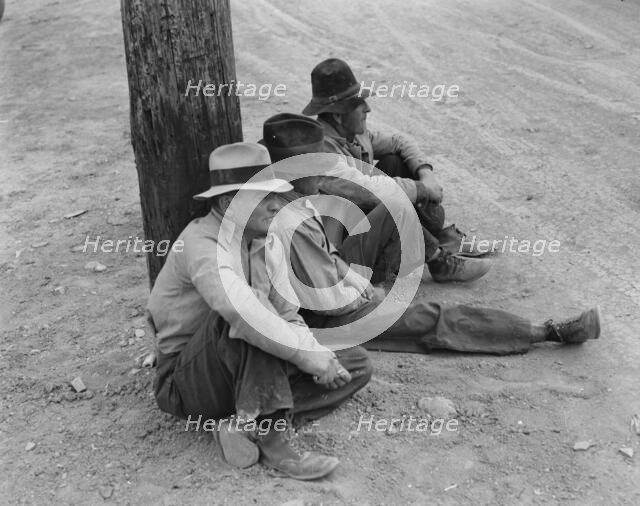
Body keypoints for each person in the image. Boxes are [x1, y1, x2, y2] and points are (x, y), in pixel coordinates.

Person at [261, 114, 602, 355]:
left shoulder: (288, 197)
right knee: (432, 319)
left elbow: (324, 266)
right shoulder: (289, 221)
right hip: (326, 317)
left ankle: (431, 261)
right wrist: (372, 296)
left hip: (329, 276)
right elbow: (328, 301)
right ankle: (546, 331)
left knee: (394, 208)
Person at [147, 142, 373, 481]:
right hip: (188, 379)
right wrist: (305, 357)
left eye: (276, 194)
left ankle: (244, 423)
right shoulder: (201, 244)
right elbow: (243, 315)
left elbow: (288, 315)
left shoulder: (263, 240)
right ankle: (275, 438)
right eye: (263, 196)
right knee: (250, 318)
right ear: (227, 204)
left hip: (244, 366)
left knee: (355, 364)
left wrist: (317, 354)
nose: (275, 204)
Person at [301, 58, 494, 282]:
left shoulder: (353, 133)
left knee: (394, 161)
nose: (368, 109)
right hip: (347, 251)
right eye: (359, 104)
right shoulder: (322, 153)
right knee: (389, 203)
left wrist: (425, 173)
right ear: (337, 115)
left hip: (365, 222)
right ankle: (439, 260)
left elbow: (399, 141)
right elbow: (371, 192)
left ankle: (435, 238)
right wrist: (422, 189)